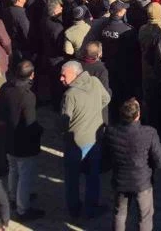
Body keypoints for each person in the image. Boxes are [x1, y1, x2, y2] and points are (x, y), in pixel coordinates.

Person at [102, 98, 161, 231]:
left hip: (120, 181)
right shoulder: (149, 133)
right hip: (142, 182)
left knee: (119, 214)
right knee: (145, 217)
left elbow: (106, 157)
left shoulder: (111, 132)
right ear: (138, 115)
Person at [60, 60, 110, 219]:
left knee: (72, 178)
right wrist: (92, 111)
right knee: (92, 176)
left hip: (75, 143)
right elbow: (106, 99)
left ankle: (74, 209)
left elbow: (64, 121)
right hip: (94, 139)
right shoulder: (95, 82)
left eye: (64, 75)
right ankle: (91, 208)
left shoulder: (70, 95)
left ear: (75, 74)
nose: (60, 78)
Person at [0, 60, 44, 221]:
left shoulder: (5, 88)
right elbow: (30, 123)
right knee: (24, 175)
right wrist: (39, 132)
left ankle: (12, 197)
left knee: (13, 169)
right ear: (32, 75)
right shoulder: (28, 97)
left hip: (8, 138)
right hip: (24, 143)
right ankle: (23, 209)